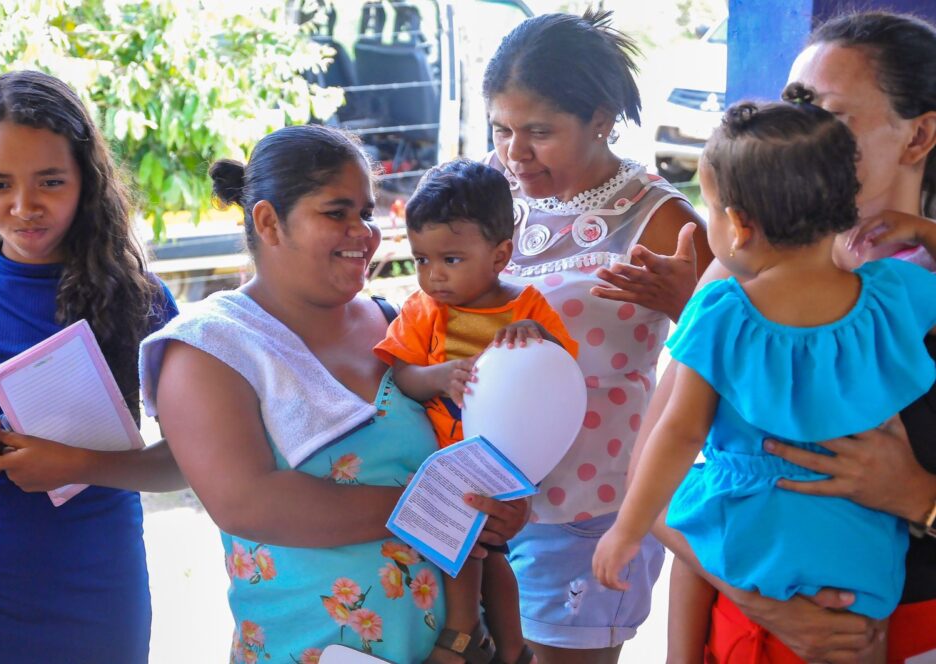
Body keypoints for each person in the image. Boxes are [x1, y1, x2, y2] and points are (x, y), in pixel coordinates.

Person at [608, 11, 936, 663]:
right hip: (741, 623)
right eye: (793, 104)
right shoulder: (737, 280)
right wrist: (760, 605)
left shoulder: (916, 289)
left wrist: (919, 499)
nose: (800, 128)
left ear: (920, 134)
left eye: (827, 113)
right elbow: (665, 468)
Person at [140, 125, 531, 664]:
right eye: (336, 212)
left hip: (459, 647)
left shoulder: (399, 325)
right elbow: (246, 503)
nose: (363, 232)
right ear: (268, 221)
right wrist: (446, 510)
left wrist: (501, 508)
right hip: (307, 648)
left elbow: (468, 444)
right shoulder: (211, 347)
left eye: (366, 213)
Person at [480, 9, 714, 664]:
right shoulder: (495, 193)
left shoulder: (661, 219)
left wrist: (685, 303)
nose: (514, 152)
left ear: (603, 119)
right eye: (502, 129)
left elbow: (737, 355)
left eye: (539, 132)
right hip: (488, 497)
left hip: (591, 504)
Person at [0, 71, 182, 664]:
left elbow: (188, 464)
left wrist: (74, 465)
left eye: (50, 181)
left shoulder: (144, 302)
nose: (24, 207)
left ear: (86, 182)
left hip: (96, 575)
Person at [375, 158, 579, 664]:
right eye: (421, 259)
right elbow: (401, 374)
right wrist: (439, 376)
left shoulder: (527, 309)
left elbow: (562, 373)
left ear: (500, 254)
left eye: (450, 259)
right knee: (469, 552)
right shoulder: (424, 312)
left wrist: (541, 340)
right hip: (442, 458)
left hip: (501, 461)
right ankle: (474, 632)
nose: (433, 275)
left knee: (489, 555)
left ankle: (500, 643)